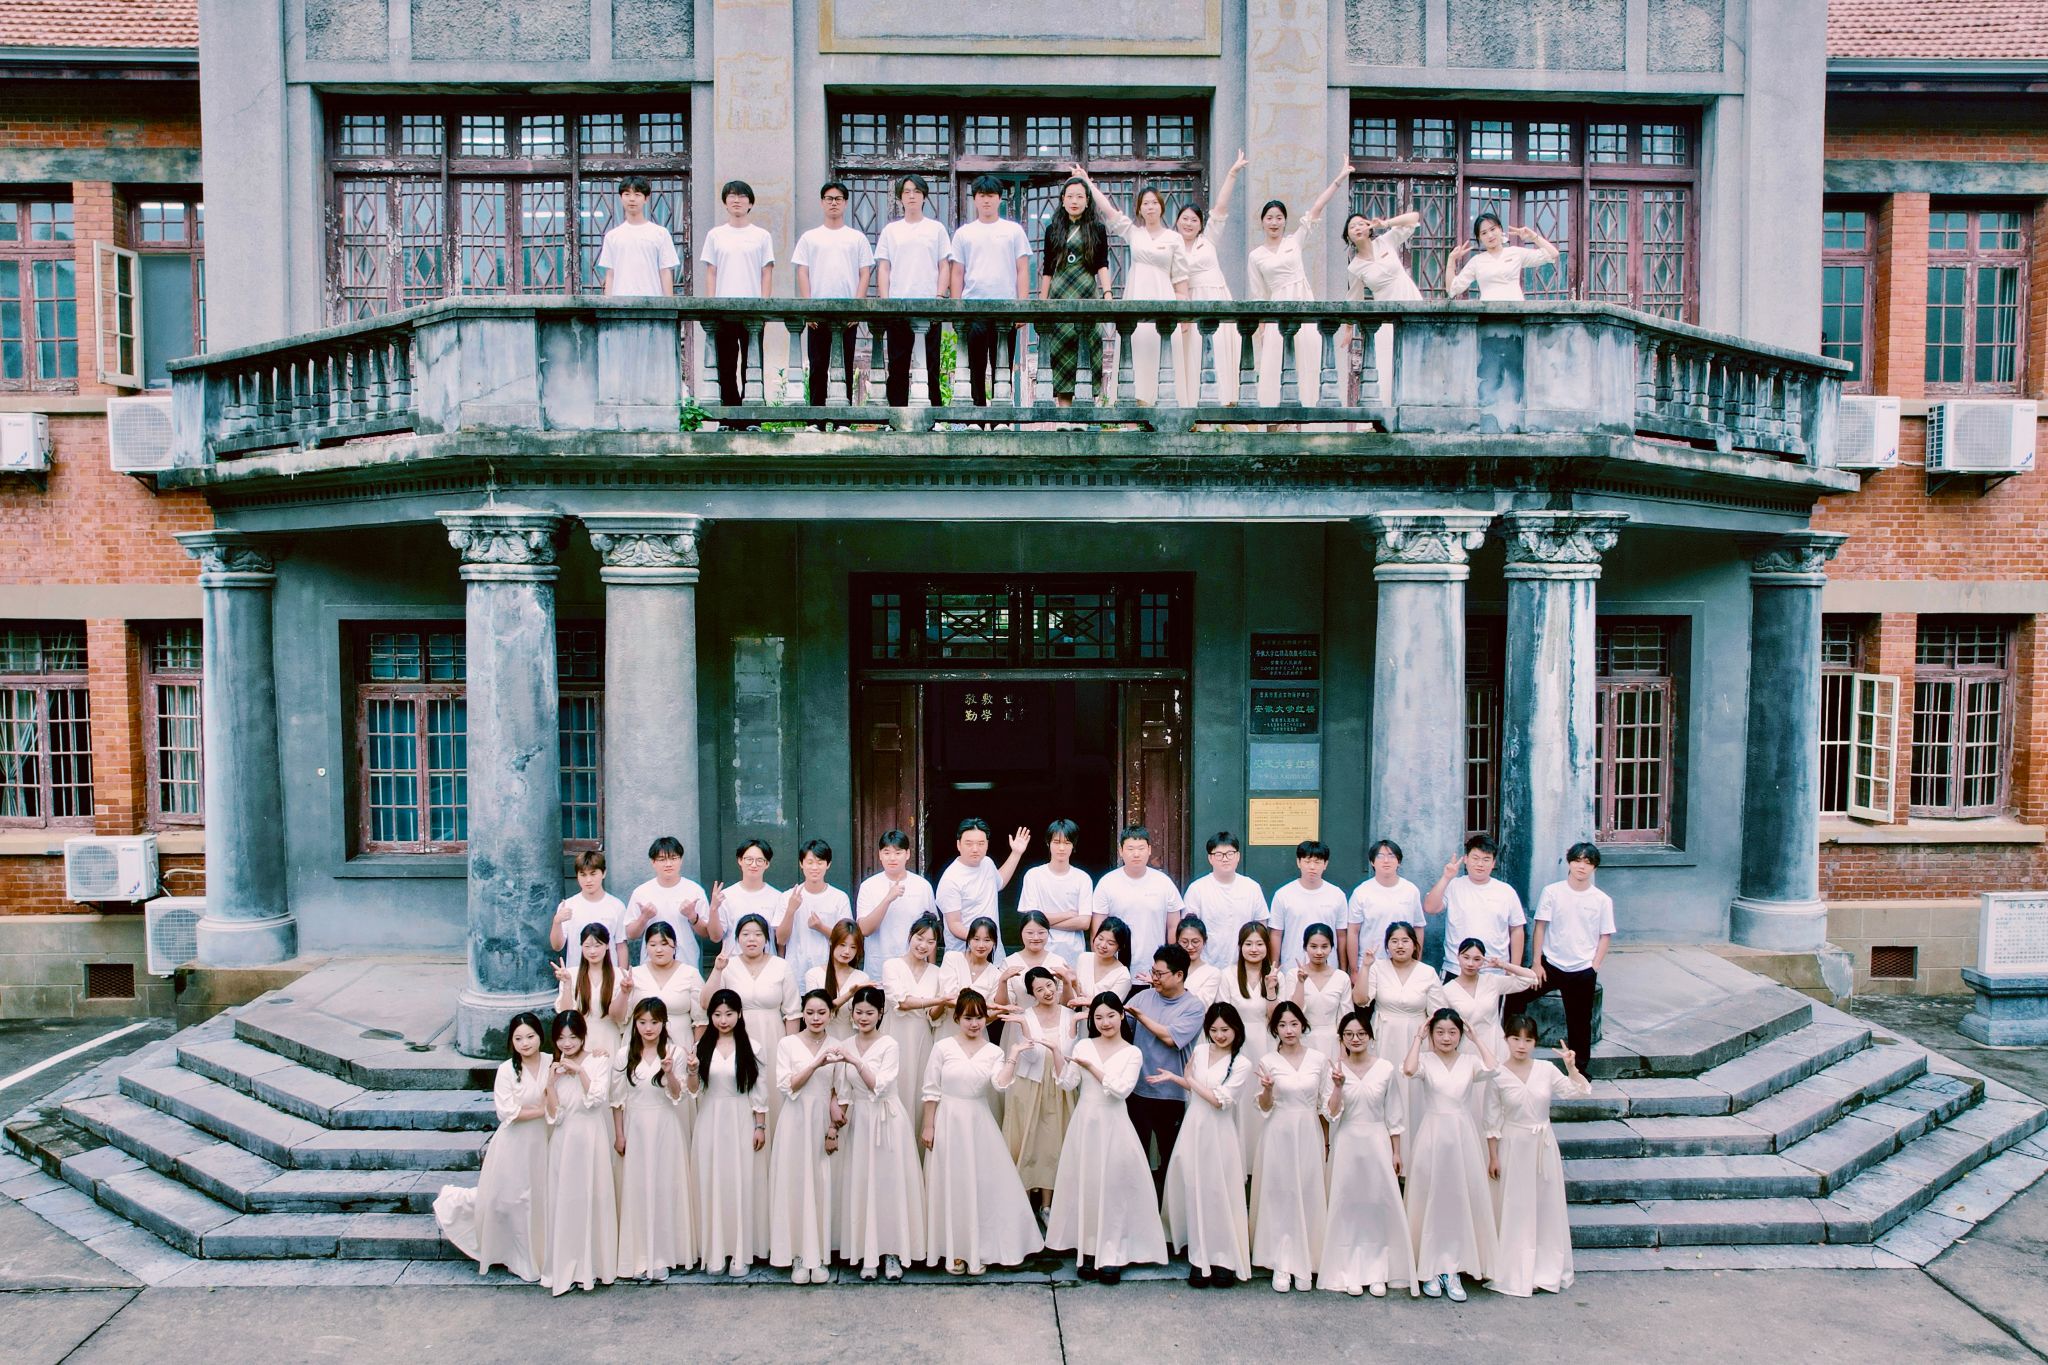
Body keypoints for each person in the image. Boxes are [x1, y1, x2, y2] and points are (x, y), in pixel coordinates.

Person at [1046, 993, 1169, 1283]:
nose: (1105, 1022)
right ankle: (1089, 1249)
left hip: (1114, 1124)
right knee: (1087, 1183)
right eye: (1098, 1017)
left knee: (1114, 1187)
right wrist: (1057, 1053)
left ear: (1121, 1016)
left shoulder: (1132, 1052)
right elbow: (1068, 1083)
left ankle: (1112, 1252)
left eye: (1111, 1016)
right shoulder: (1084, 1045)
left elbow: (1121, 1090)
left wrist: (1092, 1068)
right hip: (1085, 1123)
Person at [921, 991, 1044, 1274]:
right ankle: (955, 1249)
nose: (974, 1023)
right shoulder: (942, 1047)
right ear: (957, 1018)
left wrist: (1013, 1056)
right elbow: (930, 1089)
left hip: (979, 1122)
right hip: (948, 1119)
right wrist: (929, 1125)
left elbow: (1000, 1084)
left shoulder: (993, 1051)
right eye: (968, 1017)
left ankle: (981, 1247)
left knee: (981, 1184)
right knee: (952, 1184)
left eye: (979, 1018)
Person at [434, 1011, 550, 1283]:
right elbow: (507, 1111)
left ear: (540, 1036)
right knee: (511, 1199)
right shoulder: (507, 1070)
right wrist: (541, 1110)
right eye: (518, 1038)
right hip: (514, 1142)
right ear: (511, 1041)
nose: (525, 1043)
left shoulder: (551, 1062)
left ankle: (540, 1254)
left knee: (539, 1197)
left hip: (544, 1139)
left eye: (530, 1036)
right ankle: (517, 1256)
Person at [1318, 1009, 1417, 1299]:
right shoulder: (1335, 1070)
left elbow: (1394, 1113)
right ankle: (1349, 1269)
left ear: (1370, 1036)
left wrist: (1396, 1152)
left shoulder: (1385, 1068)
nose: (1355, 1039)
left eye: (1361, 1033)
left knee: (1377, 1205)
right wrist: (1337, 1087)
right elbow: (1331, 1113)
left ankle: (1377, 1270)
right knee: (1347, 1206)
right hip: (1347, 1142)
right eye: (1349, 1034)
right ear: (1341, 1039)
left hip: (1377, 1141)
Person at [1153, 1000, 1253, 1288]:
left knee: (1219, 1191)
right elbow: (1195, 1086)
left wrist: (1188, 1080)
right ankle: (1199, 1256)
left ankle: (1224, 1257)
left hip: (1219, 1132)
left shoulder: (1242, 1063)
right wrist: (1176, 1078)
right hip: (1194, 1126)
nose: (1219, 1035)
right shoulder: (1199, 1051)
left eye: (1225, 1030)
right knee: (1194, 1187)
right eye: (1214, 1030)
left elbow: (1219, 1100)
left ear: (1236, 1030)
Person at [1489, 1015, 1590, 1298]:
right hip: (1512, 1143)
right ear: (1506, 1039)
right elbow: (1491, 1119)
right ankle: (1516, 1268)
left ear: (1535, 1043)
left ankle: (1544, 1268)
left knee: (1545, 1204)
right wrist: (1493, 1156)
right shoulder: (1497, 1073)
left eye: (1528, 1040)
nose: (1521, 1045)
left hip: (1543, 1144)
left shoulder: (1546, 1069)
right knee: (1516, 1205)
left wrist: (1571, 1067)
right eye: (1516, 1038)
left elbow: (1577, 1092)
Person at [1403, 1008, 1499, 1302]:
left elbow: (1493, 1067)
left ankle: (1453, 1267)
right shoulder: (1426, 1060)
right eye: (1440, 1032)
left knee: (1458, 1198)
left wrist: (1476, 1037)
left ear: (1460, 1034)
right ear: (1432, 1034)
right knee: (1431, 1197)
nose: (1446, 1038)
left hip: (1462, 1136)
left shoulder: (1469, 1062)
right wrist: (1418, 1038)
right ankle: (1430, 1267)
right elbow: (1408, 1069)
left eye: (1452, 1032)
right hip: (1432, 1134)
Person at [1074, 167, 1190, 405]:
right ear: (1139, 209)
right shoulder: (1134, 233)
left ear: (1161, 207)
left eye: (1154, 203)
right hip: (1137, 293)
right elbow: (1108, 211)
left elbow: (1180, 281)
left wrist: (1185, 314)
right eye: (1145, 203)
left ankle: (1165, 405)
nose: (1150, 207)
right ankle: (1135, 406)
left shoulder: (1174, 239)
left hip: (1164, 297)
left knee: (1163, 349)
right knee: (1137, 347)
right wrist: (1087, 182)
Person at [835, 984, 925, 1279]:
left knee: (889, 1183)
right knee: (863, 1182)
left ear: (880, 1013)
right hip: (860, 1120)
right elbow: (843, 1091)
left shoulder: (889, 1044)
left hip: (887, 1118)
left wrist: (855, 1061)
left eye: (869, 1013)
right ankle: (867, 1253)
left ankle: (892, 1253)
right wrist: (835, 1125)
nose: (863, 1018)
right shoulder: (845, 1044)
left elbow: (880, 1085)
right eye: (858, 1012)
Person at [1246, 165, 1350, 406]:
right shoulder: (1256, 256)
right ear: (1262, 222)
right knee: (1276, 361)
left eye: (1279, 218)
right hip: (1277, 308)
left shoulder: (1294, 242)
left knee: (1307, 357)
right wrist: (1262, 329)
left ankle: (1307, 414)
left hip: (1302, 301)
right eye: (1269, 218)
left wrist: (1339, 178)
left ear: (1285, 221)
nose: (1274, 222)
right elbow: (1259, 295)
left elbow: (1316, 208)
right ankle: (1275, 417)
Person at [1507, 842, 1616, 1068]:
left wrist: (1594, 966)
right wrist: (1536, 963)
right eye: (1577, 860)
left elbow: (1605, 935)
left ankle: (1579, 1071)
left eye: (1588, 862)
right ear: (1569, 863)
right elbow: (1540, 927)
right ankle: (1510, 1052)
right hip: (1550, 965)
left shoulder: (1601, 900)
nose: (1581, 866)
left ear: (1594, 867)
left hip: (1582, 969)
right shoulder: (1553, 892)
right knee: (1515, 995)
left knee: (1580, 1022)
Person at [1250, 999, 1330, 1292]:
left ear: (1303, 1025)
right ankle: (1281, 1260)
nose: (1289, 1030)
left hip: (1308, 1130)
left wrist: (1326, 1141)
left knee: (1308, 1191)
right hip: (1278, 1131)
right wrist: (1268, 1090)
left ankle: (1307, 1258)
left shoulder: (1319, 1059)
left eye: (1294, 1024)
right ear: (1275, 1029)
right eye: (1282, 1025)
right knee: (1280, 1192)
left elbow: (1326, 1106)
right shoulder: (1268, 1061)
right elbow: (1264, 1107)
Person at [689, 989, 770, 1277]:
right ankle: (715, 1250)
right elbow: (694, 1090)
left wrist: (760, 1125)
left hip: (741, 1117)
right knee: (713, 1180)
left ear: (739, 1015)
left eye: (729, 1014)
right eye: (717, 1014)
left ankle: (741, 1251)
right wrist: (691, 1071)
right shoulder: (700, 1047)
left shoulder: (753, 1047)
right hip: (710, 1117)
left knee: (741, 1181)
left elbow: (759, 1089)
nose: (723, 1020)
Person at [614, 998, 694, 1282]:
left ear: (663, 1024)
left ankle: (663, 1254)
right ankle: (639, 1254)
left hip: (665, 1125)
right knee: (638, 1188)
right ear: (635, 1024)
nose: (648, 1028)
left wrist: (670, 1072)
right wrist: (620, 1134)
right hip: (635, 1125)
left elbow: (678, 1095)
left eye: (654, 1022)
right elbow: (617, 1099)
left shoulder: (674, 1052)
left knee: (664, 1186)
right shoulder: (624, 1054)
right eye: (642, 1022)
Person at [539, 1010, 616, 1295]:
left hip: (590, 1135)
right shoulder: (554, 1067)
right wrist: (550, 1083)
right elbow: (554, 1115)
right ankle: (565, 1265)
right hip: (564, 1138)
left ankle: (593, 1266)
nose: (567, 1043)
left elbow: (596, 1099)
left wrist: (579, 1071)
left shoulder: (598, 1060)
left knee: (593, 1196)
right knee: (565, 1199)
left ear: (583, 1036)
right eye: (561, 1038)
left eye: (572, 1037)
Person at [771, 990, 843, 1284]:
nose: (815, 1018)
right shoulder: (787, 1044)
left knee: (821, 1183)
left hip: (822, 1120)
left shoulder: (837, 1045)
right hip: (795, 1119)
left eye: (822, 1013)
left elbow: (839, 1092)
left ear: (831, 1014)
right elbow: (788, 1085)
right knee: (795, 1183)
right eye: (810, 1012)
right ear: (802, 1013)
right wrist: (815, 1064)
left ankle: (820, 1254)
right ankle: (798, 1254)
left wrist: (832, 1129)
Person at [1124, 943, 1208, 1197]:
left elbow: (1170, 1038)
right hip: (1137, 1090)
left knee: (1169, 1156)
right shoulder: (1143, 997)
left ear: (1179, 975)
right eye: (1153, 972)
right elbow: (1123, 1027)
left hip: (1171, 1093)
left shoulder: (1193, 1006)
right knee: (1135, 1154)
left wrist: (1141, 1016)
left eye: (1159, 973)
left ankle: (1169, 1209)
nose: (1154, 978)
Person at [702, 914, 799, 1133]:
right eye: (745, 934)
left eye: (757, 934)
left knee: (771, 1089)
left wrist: (791, 1051)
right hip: (736, 1037)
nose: (751, 939)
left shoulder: (781, 966)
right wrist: (717, 970)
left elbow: (792, 1013)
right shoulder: (728, 965)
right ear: (737, 938)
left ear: (766, 938)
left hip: (773, 1037)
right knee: (740, 1088)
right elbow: (706, 1003)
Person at [951, 174, 1033, 406]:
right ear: (975, 199)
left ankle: (1001, 415)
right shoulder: (964, 233)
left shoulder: (1013, 231)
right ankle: (976, 415)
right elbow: (957, 272)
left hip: (1005, 308)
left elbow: (1022, 269)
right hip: (973, 307)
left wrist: (1022, 306)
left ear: (999, 199)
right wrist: (957, 308)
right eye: (982, 196)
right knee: (974, 367)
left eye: (991, 195)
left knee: (1003, 366)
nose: (986, 200)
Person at [999, 965, 1074, 1214]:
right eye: (1039, 989)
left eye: (1049, 985)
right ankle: (1022, 1205)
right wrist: (1025, 1027)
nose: (1047, 992)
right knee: (1029, 1140)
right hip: (1030, 1084)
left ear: (1056, 984)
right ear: (1032, 994)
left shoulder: (1069, 1014)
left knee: (1054, 1142)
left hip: (1060, 1086)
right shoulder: (1026, 1016)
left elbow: (1070, 1052)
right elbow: (1030, 1057)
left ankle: (1048, 1205)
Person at [875, 173, 955, 406]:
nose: (912, 196)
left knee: (931, 364)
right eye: (907, 192)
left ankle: (933, 415)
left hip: (928, 305)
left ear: (924, 197)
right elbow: (884, 267)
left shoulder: (936, 229)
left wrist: (939, 296)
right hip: (898, 304)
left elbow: (944, 265)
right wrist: (886, 301)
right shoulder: (891, 230)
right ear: (900, 197)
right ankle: (896, 414)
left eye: (917, 192)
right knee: (897, 365)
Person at [791, 182, 874, 406]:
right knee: (817, 366)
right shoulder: (810, 238)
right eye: (829, 199)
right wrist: (808, 308)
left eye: (838, 199)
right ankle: (816, 418)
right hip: (817, 312)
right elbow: (802, 271)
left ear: (845, 203)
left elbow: (864, 273)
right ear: (822, 203)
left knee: (845, 366)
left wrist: (857, 308)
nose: (833, 203)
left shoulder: (856, 238)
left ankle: (842, 418)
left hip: (847, 313)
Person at [1441, 937, 1541, 1121]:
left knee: (1499, 1094)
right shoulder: (1447, 990)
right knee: (1472, 1097)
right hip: (1467, 1047)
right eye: (1466, 957)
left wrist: (1502, 965)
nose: (1470, 963)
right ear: (1458, 957)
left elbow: (1530, 978)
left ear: (1483, 960)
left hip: (1495, 1043)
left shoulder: (1492, 981)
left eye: (1477, 959)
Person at [1175, 149, 1247, 404]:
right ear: (1177, 221)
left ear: (1200, 224)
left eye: (1194, 220)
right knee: (1195, 354)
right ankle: (1195, 409)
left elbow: (1220, 208)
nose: (1189, 223)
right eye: (1185, 219)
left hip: (1216, 298)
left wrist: (1232, 173)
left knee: (1219, 351)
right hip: (1190, 303)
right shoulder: (1172, 246)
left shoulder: (1208, 241)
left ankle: (1225, 405)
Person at [1359, 921, 1447, 1122]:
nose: (1400, 946)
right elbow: (1361, 1000)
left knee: (1413, 1088)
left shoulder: (1427, 972)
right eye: (1394, 941)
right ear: (1387, 945)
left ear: (1415, 945)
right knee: (1383, 1084)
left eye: (1405, 941)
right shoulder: (1377, 968)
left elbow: (1437, 1014)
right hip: (1384, 1034)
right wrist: (1365, 967)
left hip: (1416, 1038)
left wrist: (1436, 1048)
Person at [700, 179, 776, 407]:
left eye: (742, 196)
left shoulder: (761, 235)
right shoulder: (716, 235)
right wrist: (712, 305)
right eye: (731, 196)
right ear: (725, 202)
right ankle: (729, 414)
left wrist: (764, 306)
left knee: (753, 363)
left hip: (753, 309)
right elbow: (711, 272)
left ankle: (752, 414)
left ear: (750, 203)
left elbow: (766, 272)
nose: (736, 200)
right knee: (726, 362)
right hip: (724, 308)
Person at [1039, 176, 1112, 407]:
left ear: (1087, 201)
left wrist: (1108, 293)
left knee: (1088, 349)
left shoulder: (1097, 229)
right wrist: (1042, 301)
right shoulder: (1053, 230)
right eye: (1070, 196)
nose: (1074, 201)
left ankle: (1085, 416)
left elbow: (1102, 264)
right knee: (1061, 354)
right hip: (1059, 295)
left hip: (1087, 294)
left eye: (1080, 196)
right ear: (1062, 200)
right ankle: (1064, 418)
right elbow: (1048, 268)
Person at [1221, 922, 1281, 1171]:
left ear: (1267, 947)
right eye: (1248, 944)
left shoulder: (1277, 975)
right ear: (1240, 946)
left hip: (1266, 1042)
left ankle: (1264, 1162)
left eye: (1259, 944)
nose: (1254, 949)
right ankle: (1238, 1165)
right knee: (1240, 1098)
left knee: (1264, 1095)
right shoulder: (1228, 974)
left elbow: (1277, 1019)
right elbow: (1222, 1014)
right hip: (1237, 1043)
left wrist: (1271, 989)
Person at [1342, 210, 1422, 397]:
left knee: (1418, 353)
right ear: (1348, 236)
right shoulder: (1355, 267)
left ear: (1369, 227)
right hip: (1386, 314)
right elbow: (1354, 299)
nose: (1357, 228)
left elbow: (1413, 218)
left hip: (1410, 299)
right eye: (1352, 227)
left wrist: (1385, 224)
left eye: (1361, 223)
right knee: (1389, 362)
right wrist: (1348, 329)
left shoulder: (1385, 241)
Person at [1425, 833, 1527, 979]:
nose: (1480, 864)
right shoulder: (1454, 885)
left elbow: (1517, 929)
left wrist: (1513, 968)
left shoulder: (1506, 891)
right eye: (1475, 858)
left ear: (1493, 863)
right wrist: (1446, 877)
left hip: (1495, 970)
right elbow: (1430, 908)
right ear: (1466, 859)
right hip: (1456, 968)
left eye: (1486, 859)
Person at [1092, 825, 1183, 982]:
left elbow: (1173, 927)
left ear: (1149, 850)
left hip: (1155, 969)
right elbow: (1097, 930)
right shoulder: (1107, 883)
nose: (1136, 854)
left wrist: (1171, 965)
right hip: (1115, 970)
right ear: (1121, 851)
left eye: (1141, 848)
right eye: (1130, 848)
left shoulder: (1163, 883)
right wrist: (1101, 967)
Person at [936, 818, 1029, 959]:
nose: (975, 849)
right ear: (958, 845)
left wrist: (1016, 853)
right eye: (969, 843)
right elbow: (954, 924)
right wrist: (981, 940)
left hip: (994, 954)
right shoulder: (950, 879)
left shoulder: (987, 863)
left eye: (980, 843)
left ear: (987, 844)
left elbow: (999, 883)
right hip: (963, 957)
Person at [881, 914, 948, 1107]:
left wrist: (944, 1002)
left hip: (921, 1037)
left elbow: (933, 1015)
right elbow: (902, 1002)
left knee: (919, 1086)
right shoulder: (892, 965)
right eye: (920, 938)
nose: (923, 945)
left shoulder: (937, 972)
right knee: (894, 1083)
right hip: (894, 1032)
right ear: (910, 936)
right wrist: (939, 999)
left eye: (931, 942)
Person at [1181, 831, 1268, 969]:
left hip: (1243, 967)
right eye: (1219, 854)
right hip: (1206, 966)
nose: (1225, 859)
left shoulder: (1252, 887)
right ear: (1210, 858)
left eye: (1230, 853)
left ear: (1238, 856)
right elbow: (1188, 929)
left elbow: (1261, 927)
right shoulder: (1197, 889)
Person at [626, 835, 714, 969]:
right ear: (653, 862)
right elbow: (631, 934)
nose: (668, 864)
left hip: (686, 963)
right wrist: (644, 918)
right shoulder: (641, 892)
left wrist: (692, 916)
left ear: (681, 860)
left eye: (673, 858)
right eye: (662, 859)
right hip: (651, 964)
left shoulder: (694, 890)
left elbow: (707, 933)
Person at [1016, 818, 1096, 962]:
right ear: (1048, 843)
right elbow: (1031, 918)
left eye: (1067, 843)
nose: (1061, 848)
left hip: (1073, 952)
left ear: (1073, 845)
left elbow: (1084, 922)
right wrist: (1067, 915)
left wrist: (1043, 921)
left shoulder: (1083, 878)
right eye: (1056, 842)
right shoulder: (1034, 875)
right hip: (1041, 950)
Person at [778, 838, 853, 991]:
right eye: (810, 862)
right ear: (801, 864)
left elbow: (847, 939)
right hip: (796, 973)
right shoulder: (787, 897)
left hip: (829, 973)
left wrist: (821, 927)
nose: (814, 867)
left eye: (820, 862)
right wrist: (791, 910)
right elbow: (781, 939)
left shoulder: (839, 897)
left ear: (828, 864)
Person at [855, 828, 939, 964]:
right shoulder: (868, 886)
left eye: (898, 853)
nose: (892, 858)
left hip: (915, 966)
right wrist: (888, 899)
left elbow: (932, 931)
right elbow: (864, 930)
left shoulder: (922, 886)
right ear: (880, 855)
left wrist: (931, 968)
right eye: (887, 853)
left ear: (907, 854)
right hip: (879, 965)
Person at [1345, 838, 1424, 980]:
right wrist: (1354, 969)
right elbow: (1353, 932)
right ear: (1372, 862)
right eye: (1380, 856)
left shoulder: (1410, 890)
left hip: (1404, 965)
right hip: (1370, 965)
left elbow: (1418, 928)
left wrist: (1416, 962)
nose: (1386, 861)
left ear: (1399, 861)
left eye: (1391, 856)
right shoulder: (1361, 892)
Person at [1269, 839, 1348, 972]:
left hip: (1328, 970)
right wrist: (1274, 968)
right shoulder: (1283, 894)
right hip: (1292, 968)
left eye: (1317, 862)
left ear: (1325, 864)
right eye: (1307, 861)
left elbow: (1341, 935)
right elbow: (1276, 934)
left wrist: (1343, 969)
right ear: (1298, 862)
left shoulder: (1337, 895)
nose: (1312, 867)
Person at [553, 923, 629, 1060]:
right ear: (581, 947)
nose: (592, 951)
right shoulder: (571, 974)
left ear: (607, 945)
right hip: (580, 1039)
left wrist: (624, 992)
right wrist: (567, 984)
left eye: (597, 945)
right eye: (587, 946)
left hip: (609, 1038)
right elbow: (566, 1014)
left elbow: (619, 1016)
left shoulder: (619, 975)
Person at [1447, 212, 1560, 302]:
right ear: (1479, 238)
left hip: (1516, 313)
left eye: (1492, 229)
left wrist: (1533, 236)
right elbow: (1452, 290)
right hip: (1488, 315)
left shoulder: (1515, 253)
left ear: (1500, 229)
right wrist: (1451, 260)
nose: (1490, 235)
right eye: (1484, 233)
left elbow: (1553, 254)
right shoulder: (1477, 261)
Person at [597, 174, 678, 297]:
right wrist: (609, 303)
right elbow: (610, 274)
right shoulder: (612, 236)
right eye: (627, 194)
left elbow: (665, 271)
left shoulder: (660, 234)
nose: (632, 199)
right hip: (620, 302)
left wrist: (669, 304)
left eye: (637, 194)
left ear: (646, 198)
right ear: (621, 198)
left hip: (653, 301)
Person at [628, 920, 707, 1044]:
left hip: (681, 1045)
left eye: (664, 944)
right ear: (646, 947)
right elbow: (621, 1016)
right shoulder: (634, 974)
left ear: (674, 945)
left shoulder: (690, 974)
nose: (659, 950)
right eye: (653, 945)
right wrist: (623, 992)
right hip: (640, 1046)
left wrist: (696, 1049)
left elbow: (701, 1019)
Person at [996, 910, 1076, 1031]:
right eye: (1030, 933)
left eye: (1041, 932)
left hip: (1054, 1028)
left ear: (1048, 932)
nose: (1036, 937)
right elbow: (1003, 1007)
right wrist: (1002, 981)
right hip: (1019, 1028)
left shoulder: (1058, 961)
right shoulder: (1009, 963)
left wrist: (1067, 982)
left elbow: (1067, 1006)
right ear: (1021, 933)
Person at [1284, 923, 1352, 1062]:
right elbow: (1292, 1013)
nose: (1319, 952)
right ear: (1305, 947)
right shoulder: (1293, 975)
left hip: (1332, 1041)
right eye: (1313, 946)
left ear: (1332, 947)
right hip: (1302, 1040)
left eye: (1324, 946)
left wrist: (1344, 1049)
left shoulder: (1341, 977)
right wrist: (1300, 983)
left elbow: (1346, 1018)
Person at [708, 840, 784, 960]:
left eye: (760, 860)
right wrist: (713, 908)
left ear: (767, 864)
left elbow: (780, 941)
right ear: (740, 860)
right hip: (733, 964)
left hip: (767, 965)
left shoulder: (778, 897)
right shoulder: (725, 896)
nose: (753, 865)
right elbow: (715, 937)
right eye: (749, 859)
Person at [939, 917, 1005, 1048]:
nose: (981, 945)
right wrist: (983, 1007)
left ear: (994, 942)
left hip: (977, 1037)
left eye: (987, 940)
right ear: (969, 939)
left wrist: (1002, 1009)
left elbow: (989, 1016)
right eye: (976, 939)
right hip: (948, 1031)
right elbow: (949, 998)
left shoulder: (996, 974)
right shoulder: (952, 958)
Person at [551, 849, 628, 959]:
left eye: (593, 874)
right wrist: (557, 922)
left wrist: (622, 970)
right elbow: (557, 946)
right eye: (583, 875)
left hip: (609, 969)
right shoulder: (568, 906)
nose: (588, 880)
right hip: (577, 969)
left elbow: (621, 945)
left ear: (604, 873)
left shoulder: (617, 906)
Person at [804, 920, 872, 1038]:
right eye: (842, 945)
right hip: (820, 1040)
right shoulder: (814, 974)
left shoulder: (862, 978)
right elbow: (817, 1011)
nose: (847, 951)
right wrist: (849, 994)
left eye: (853, 947)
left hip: (852, 1040)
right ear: (831, 941)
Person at [1074, 917, 1133, 1017]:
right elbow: (1075, 994)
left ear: (1119, 947)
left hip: (1103, 1024)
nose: (1103, 945)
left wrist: (1089, 1001)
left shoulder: (1123, 975)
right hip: (1077, 1021)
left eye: (1110, 943)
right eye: (1100, 938)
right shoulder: (1084, 958)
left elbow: (1110, 1008)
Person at [1178, 917, 1222, 1006]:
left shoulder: (1212, 973)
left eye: (1195, 941)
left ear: (1204, 941)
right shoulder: (1168, 968)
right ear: (1178, 941)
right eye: (1184, 942)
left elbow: (1201, 1005)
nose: (1190, 947)